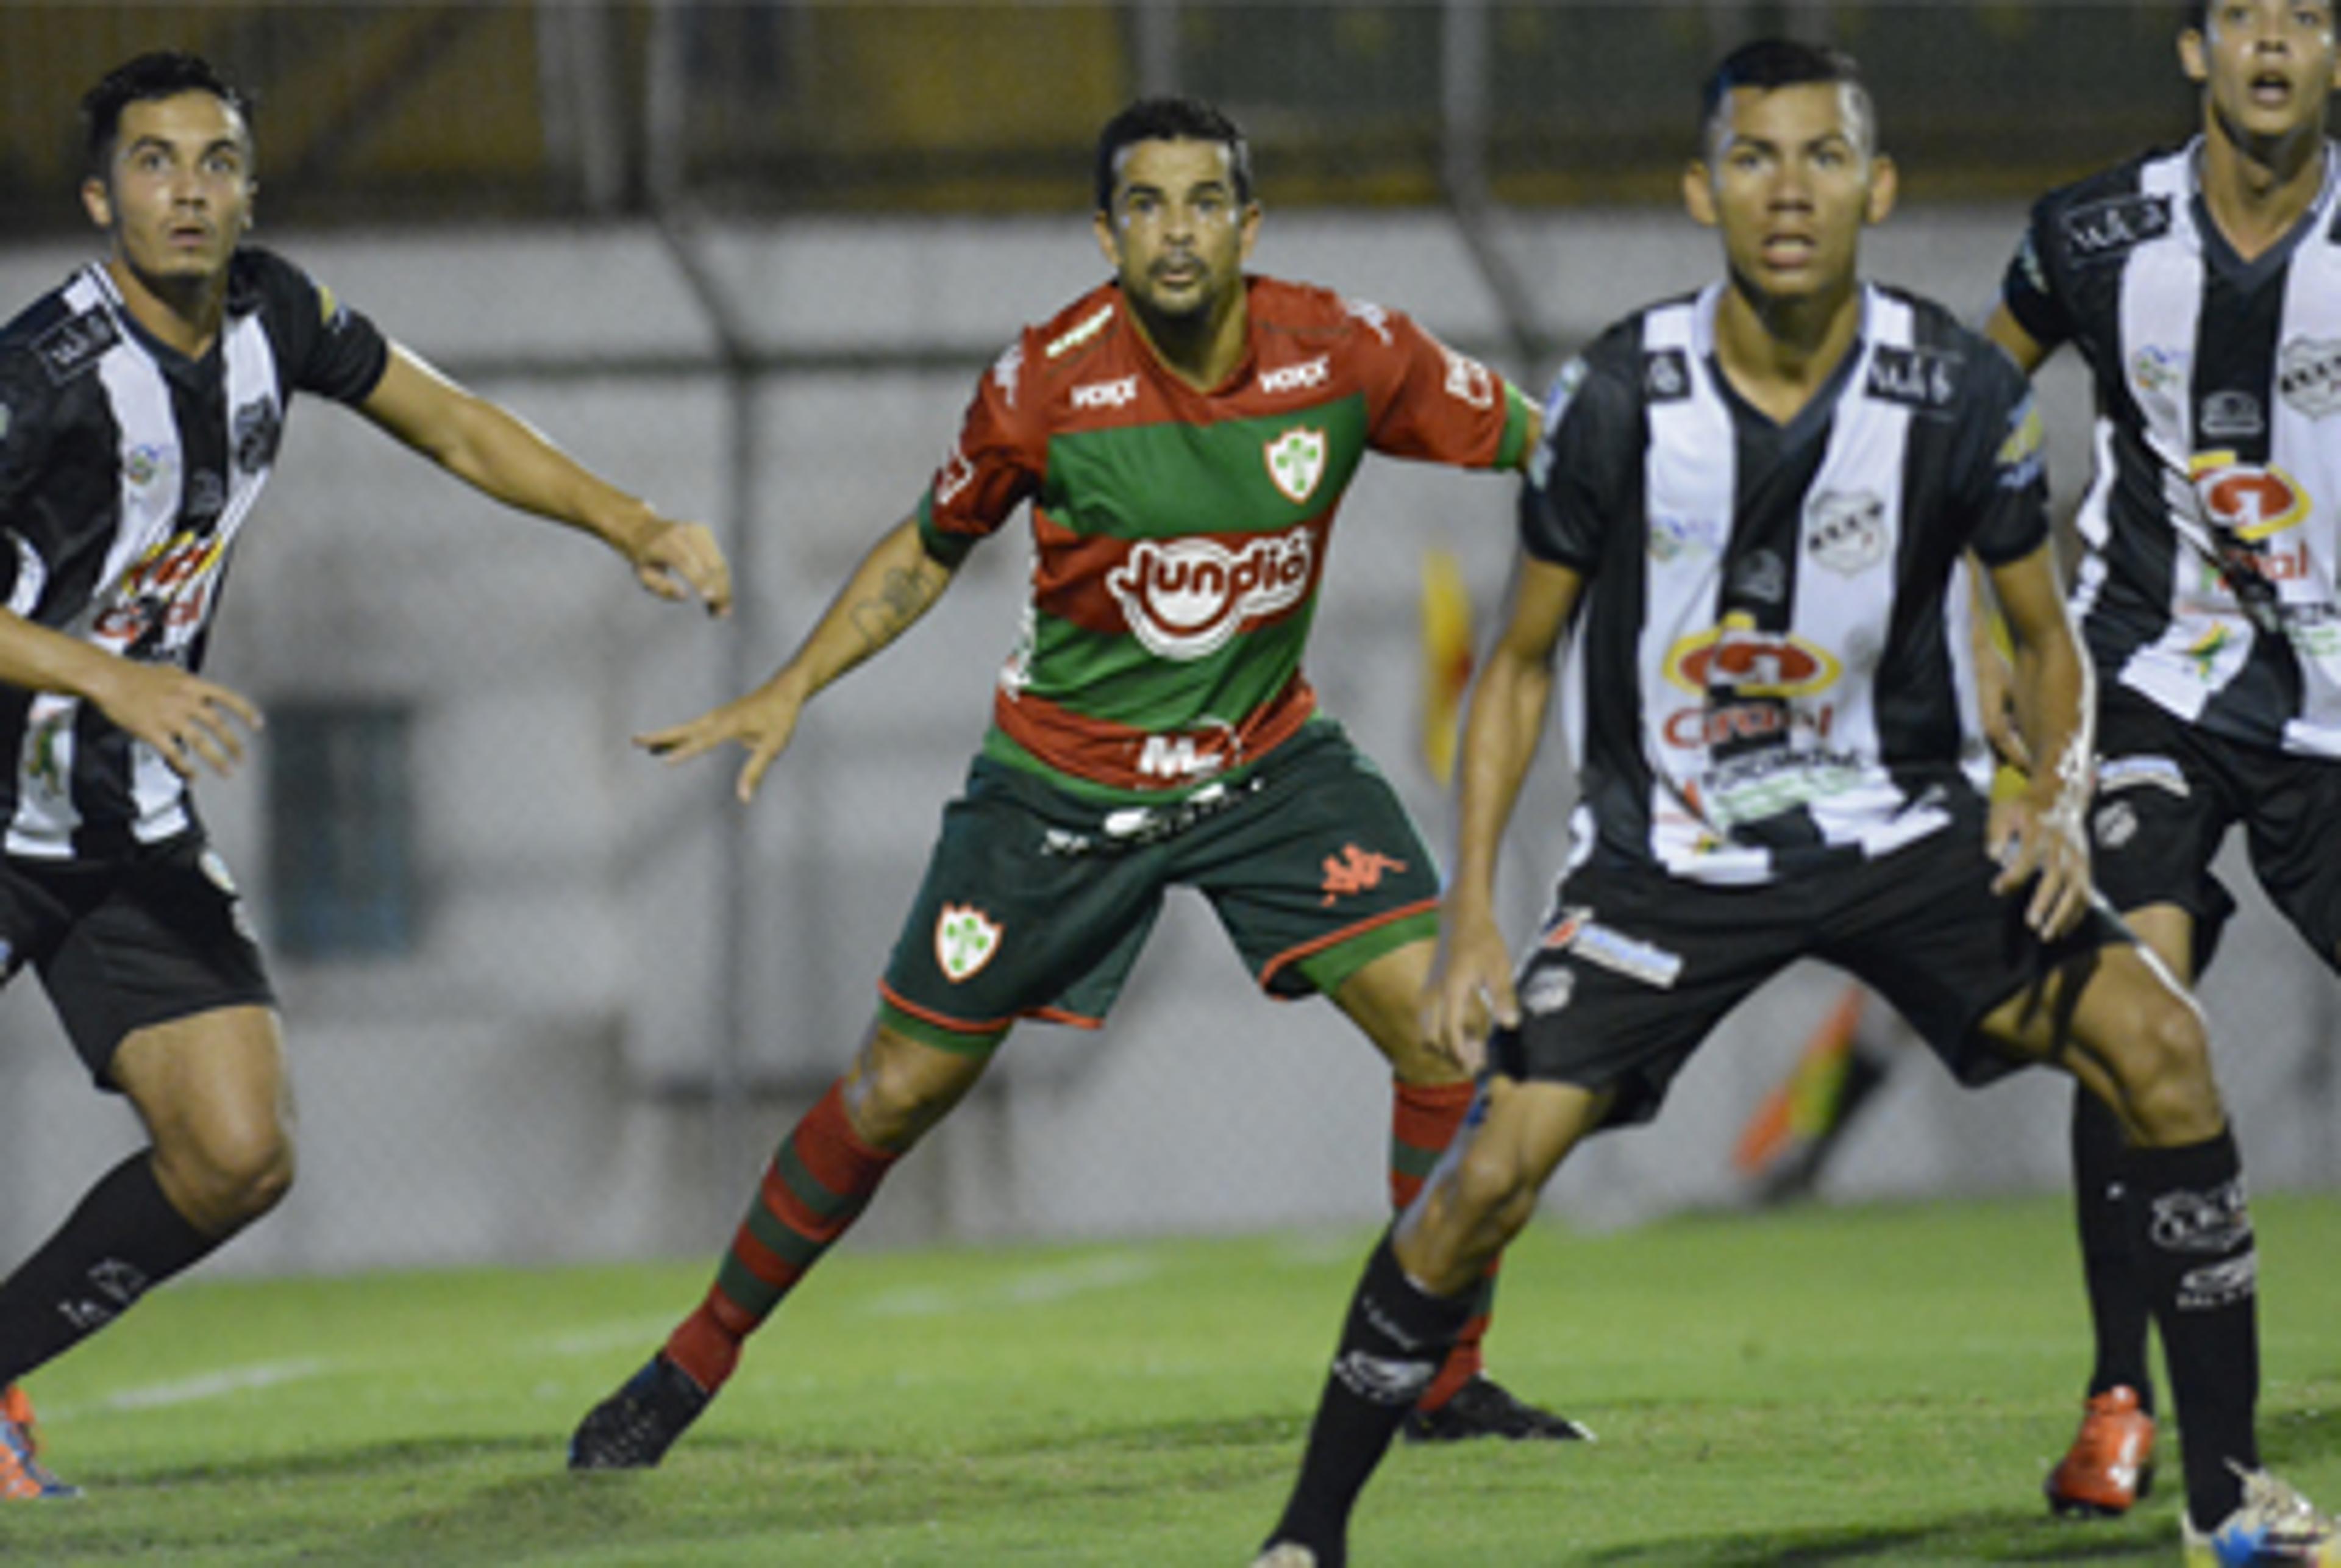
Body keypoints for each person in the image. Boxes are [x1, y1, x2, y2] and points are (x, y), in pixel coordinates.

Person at [1254, 41, 2339, 1568]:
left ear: (1875, 189)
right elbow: (1513, 665)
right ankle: (1304, 1539)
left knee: (2159, 1039)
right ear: (1702, 188)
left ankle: (2228, 1500)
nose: (1789, 190)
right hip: (1674, 862)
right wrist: (1474, 914)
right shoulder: (1621, 394)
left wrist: (2042, 795)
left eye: (1823, 157)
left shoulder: (1959, 394)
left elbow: (2045, 636)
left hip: (1906, 834)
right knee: (1487, 1174)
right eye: (1755, 158)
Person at [568, 94, 1587, 1471]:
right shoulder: (1043, 380)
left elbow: (1554, 441)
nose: (1178, 232)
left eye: (1205, 201)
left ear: (1250, 223)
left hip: (1265, 764)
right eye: (1147, 206)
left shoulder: (1346, 352)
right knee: (890, 1092)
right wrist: (791, 684)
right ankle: (690, 1363)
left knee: (1447, 1035)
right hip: (1057, 790)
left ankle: (1440, 1381)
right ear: (1106, 232)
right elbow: (930, 547)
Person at [0, 51, 732, 1499]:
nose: (190, 190)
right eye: (154, 163)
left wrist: (625, 518)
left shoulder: (275, 311)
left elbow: (449, 417)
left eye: (216, 160)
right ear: (101, 197)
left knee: (233, 1149)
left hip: (122, 819)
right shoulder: (44, 379)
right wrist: (109, 675)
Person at [1981, 0, 2341, 1525]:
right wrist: (2005, 620)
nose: (2273, 42)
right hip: (2150, 682)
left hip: (2331, 707)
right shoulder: (2094, 234)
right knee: (2135, 1006)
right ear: (2194, 48)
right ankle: (2121, 1393)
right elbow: (1977, 394)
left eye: (2308, 15)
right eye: (2244, 13)